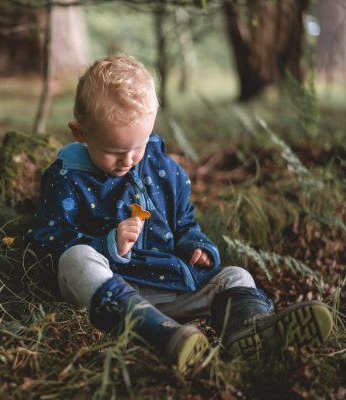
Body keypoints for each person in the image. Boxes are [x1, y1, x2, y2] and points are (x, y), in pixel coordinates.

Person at [30, 54, 333, 372]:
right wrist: (108, 244)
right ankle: (153, 331)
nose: (129, 160)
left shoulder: (163, 170)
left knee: (236, 277)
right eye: (114, 151)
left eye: (140, 145)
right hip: (110, 291)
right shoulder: (68, 178)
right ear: (81, 133)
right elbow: (50, 239)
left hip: (168, 287)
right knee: (75, 259)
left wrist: (194, 244)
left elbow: (183, 220)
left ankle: (248, 327)